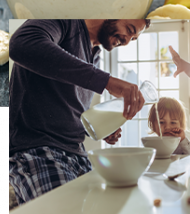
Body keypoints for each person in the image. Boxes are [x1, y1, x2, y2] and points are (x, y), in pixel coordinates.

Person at [9, 19, 150, 205]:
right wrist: (106, 81)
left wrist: (101, 128)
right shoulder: (66, 20)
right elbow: (21, 44)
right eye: (130, 30)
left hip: (78, 155)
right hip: (38, 151)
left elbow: (67, 111)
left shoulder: (94, 56)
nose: (126, 41)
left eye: (133, 39)